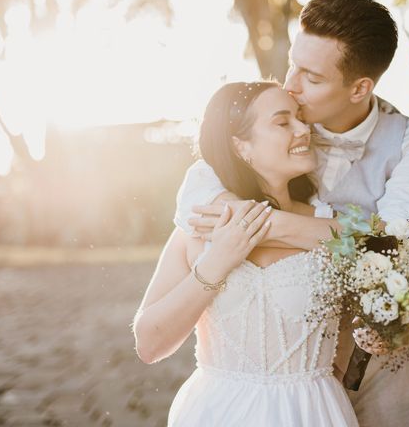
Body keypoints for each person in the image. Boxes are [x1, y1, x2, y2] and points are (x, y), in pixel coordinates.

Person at [174, 0, 409, 426]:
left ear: (360, 87)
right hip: (284, 365)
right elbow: (202, 184)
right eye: (292, 64)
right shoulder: (282, 123)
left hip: (375, 366)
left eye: (311, 77)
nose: (290, 85)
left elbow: (394, 241)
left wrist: (268, 223)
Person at [133, 81, 359, 426]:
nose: (304, 129)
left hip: (311, 412)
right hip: (217, 412)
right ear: (241, 146)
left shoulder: (332, 223)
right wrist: (218, 260)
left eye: (300, 117)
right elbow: (149, 344)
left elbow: (362, 315)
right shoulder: (199, 229)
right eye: (283, 122)